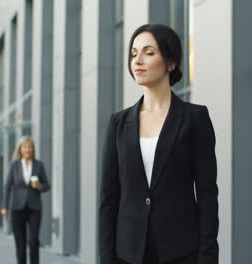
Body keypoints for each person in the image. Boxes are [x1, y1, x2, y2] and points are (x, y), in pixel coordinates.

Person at [99, 24, 219, 264]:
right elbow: (109, 199)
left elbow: (207, 195)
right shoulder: (118, 124)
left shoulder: (195, 118)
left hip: (181, 253)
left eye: (149, 52)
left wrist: (207, 257)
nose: (138, 60)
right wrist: (107, 258)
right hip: (128, 255)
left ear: (171, 62)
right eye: (133, 54)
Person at [1, 136, 50, 264]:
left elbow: (47, 185)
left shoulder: (39, 165)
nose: (28, 150)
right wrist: (4, 206)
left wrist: (39, 186)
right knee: (20, 244)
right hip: (17, 207)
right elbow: (7, 186)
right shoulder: (14, 165)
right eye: (25, 147)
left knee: (33, 241)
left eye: (30, 147)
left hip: (34, 208)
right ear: (20, 149)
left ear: (33, 149)